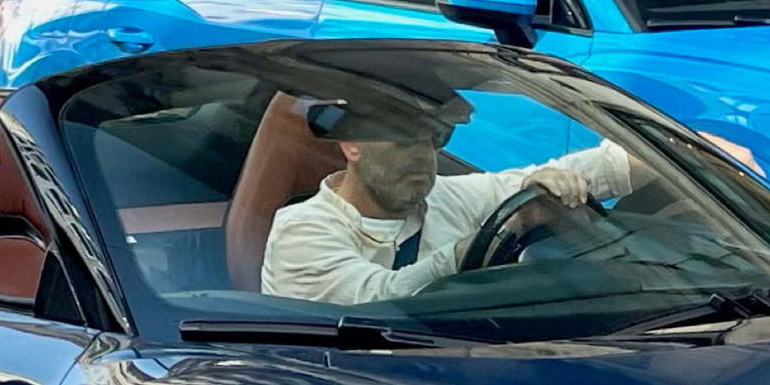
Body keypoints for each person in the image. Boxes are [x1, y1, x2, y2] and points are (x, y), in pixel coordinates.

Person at [257, 96, 634, 306]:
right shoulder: (300, 230)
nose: (423, 156)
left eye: (433, 139)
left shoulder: (443, 197)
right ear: (352, 145)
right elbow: (381, 300)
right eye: (405, 141)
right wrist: (501, 231)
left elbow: (582, 170)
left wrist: (675, 152)